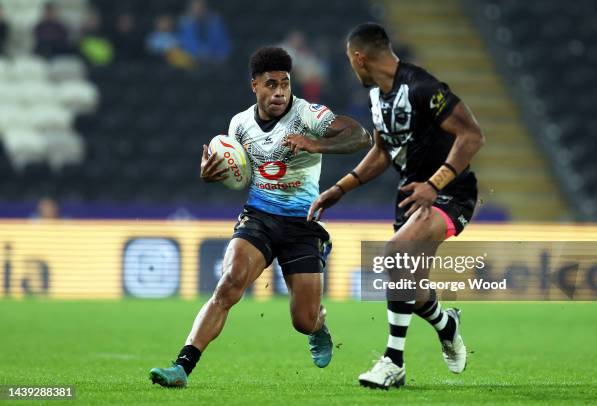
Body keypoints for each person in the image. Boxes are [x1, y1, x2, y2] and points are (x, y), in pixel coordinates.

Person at [149, 46, 372, 387]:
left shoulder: (308, 115)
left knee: (303, 320)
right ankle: (182, 367)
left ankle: (319, 324)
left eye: (285, 83)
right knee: (228, 285)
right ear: (254, 85)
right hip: (260, 217)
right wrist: (215, 174)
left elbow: (360, 136)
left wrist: (318, 145)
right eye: (271, 84)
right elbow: (241, 177)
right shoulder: (238, 125)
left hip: (302, 223)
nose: (280, 91)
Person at [308, 23, 485, 389]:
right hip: (411, 196)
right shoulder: (378, 97)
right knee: (409, 284)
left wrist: (436, 184)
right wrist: (339, 189)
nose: (350, 68)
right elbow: (383, 151)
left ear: (359, 58)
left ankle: (393, 361)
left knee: (396, 254)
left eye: (349, 61)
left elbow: (472, 135)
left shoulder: (422, 88)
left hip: (450, 194)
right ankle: (446, 324)